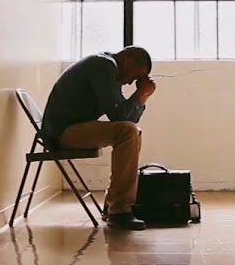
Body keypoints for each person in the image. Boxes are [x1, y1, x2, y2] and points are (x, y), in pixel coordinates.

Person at [41, 46, 156, 230]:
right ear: (127, 62)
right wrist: (140, 93)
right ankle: (119, 210)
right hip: (61, 133)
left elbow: (129, 119)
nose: (130, 83)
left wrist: (143, 98)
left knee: (132, 131)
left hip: (71, 128)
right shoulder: (103, 66)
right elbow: (119, 116)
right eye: (134, 77)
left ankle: (113, 204)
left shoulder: (108, 68)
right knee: (127, 131)